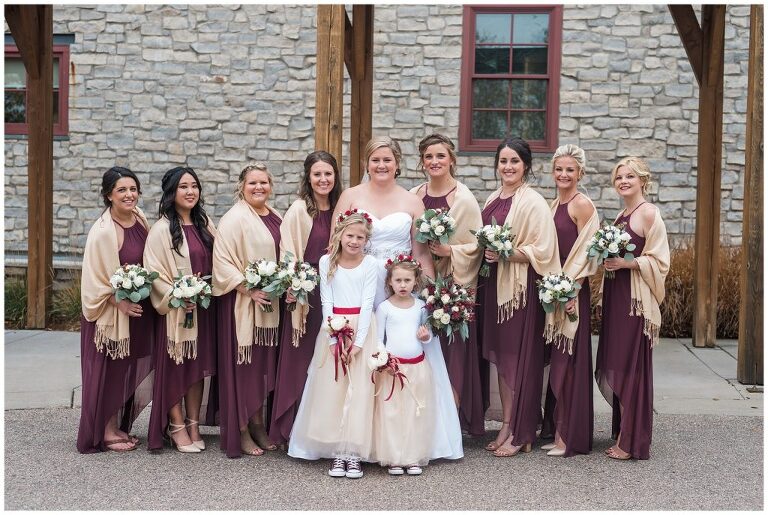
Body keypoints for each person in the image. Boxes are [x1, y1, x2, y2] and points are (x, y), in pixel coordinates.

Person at [333, 136, 463, 461]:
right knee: (361, 356)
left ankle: (402, 440)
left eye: (387, 160)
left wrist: (433, 298)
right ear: (366, 163)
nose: (381, 165)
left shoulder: (412, 202)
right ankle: (355, 440)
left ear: (397, 163)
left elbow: (420, 253)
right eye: (375, 160)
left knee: (404, 356)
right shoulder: (350, 196)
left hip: (400, 286)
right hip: (359, 285)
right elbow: (335, 246)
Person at [477, 137, 560, 458]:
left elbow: (545, 249)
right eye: (503, 161)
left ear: (526, 165)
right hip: (494, 288)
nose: (507, 167)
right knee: (501, 359)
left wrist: (507, 252)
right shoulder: (493, 197)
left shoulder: (533, 202)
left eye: (514, 161)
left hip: (519, 292)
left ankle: (522, 431)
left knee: (518, 360)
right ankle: (507, 424)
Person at [288, 212, 379, 479]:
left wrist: (359, 343)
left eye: (360, 237)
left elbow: (367, 303)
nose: (354, 241)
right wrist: (331, 337)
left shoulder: (370, 263)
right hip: (334, 327)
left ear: (366, 240)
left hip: (362, 329)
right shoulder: (327, 261)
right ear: (339, 235)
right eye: (350, 236)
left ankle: (354, 453)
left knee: (359, 390)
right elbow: (326, 301)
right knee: (333, 390)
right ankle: (337, 452)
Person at [410, 133, 486, 437]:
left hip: (454, 287)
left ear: (451, 159)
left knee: (453, 355)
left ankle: (449, 427)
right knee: (424, 353)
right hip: (420, 285)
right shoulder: (415, 194)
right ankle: (422, 422)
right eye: (428, 157)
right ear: (422, 162)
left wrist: (450, 251)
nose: (434, 162)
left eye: (440, 156)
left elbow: (476, 245)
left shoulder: (464, 198)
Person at [595, 157, 670, 460]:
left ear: (642, 180)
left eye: (629, 176)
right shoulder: (621, 215)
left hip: (634, 302)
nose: (623, 181)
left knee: (629, 366)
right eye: (619, 177)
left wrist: (627, 263)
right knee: (618, 362)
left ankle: (632, 440)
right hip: (616, 296)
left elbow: (660, 260)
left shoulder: (649, 214)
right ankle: (625, 430)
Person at [77, 166, 156, 453]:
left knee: (125, 369)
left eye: (133, 189)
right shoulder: (102, 232)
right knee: (110, 371)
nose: (129, 194)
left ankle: (118, 426)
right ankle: (106, 431)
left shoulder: (139, 218)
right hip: (110, 317)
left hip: (135, 312)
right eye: (122, 190)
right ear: (108, 195)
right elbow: (93, 281)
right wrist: (118, 301)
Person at [144, 167, 218, 453]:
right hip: (177, 310)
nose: (190, 192)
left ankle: (194, 423)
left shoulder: (205, 223)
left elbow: (219, 259)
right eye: (183, 187)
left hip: (203, 307)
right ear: (171, 192)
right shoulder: (162, 229)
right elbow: (154, 271)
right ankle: (175, 426)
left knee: (197, 368)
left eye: (194, 186)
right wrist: (177, 294)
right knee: (177, 367)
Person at [269, 151, 341, 445]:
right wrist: (294, 283)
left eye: (328, 174)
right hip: (307, 291)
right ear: (308, 178)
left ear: (335, 177)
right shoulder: (300, 210)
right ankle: (290, 428)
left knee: (328, 358)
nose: (323, 180)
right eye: (317, 174)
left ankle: (325, 428)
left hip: (336, 288)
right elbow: (289, 252)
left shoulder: (340, 207)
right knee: (301, 357)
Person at [212, 163, 282, 458]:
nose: (258, 188)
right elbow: (222, 262)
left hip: (270, 305)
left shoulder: (276, 215)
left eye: (263, 183)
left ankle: (257, 424)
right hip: (242, 304)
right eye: (252, 183)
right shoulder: (234, 218)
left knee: (262, 369)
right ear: (241, 186)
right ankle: (239, 429)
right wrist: (247, 288)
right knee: (244, 368)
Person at [539, 145, 599, 457]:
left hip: (572, 292)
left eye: (570, 170)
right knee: (559, 359)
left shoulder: (582, 205)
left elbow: (589, 253)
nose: (564, 174)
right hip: (555, 290)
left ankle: (570, 438)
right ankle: (559, 430)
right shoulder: (553, 204)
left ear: (580, 174)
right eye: (559, 169)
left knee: (571, 361)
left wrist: (571, 291)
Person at [372, 256, 439, 476]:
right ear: (390, 282)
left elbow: (425, 338)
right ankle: (394, 457)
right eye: (398, 280)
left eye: (407, 280)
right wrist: (384, 360)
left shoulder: (421, 307)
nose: (402, 285)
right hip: (393, 370)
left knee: (414, 413)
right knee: (392, 414)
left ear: (415, 281)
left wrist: (426, 336)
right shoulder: (384, 308)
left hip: (417, 368)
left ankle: (411, 457)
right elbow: (379, 338)